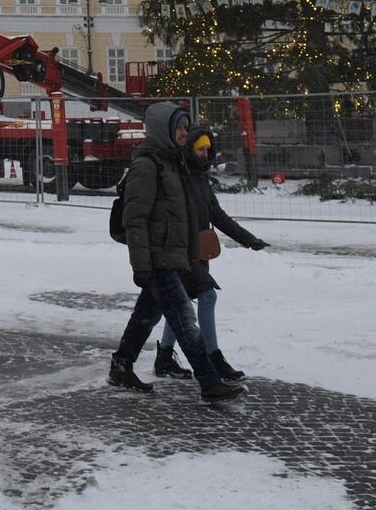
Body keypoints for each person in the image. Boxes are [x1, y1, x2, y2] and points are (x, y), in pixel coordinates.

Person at [107, 102, 245, 403]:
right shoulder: (147, 166)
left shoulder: (172, 163)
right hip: (158, 258)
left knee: (146, 315)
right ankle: (209, 382)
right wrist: (141, 265)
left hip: (174, 255)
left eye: (185, 126)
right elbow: (136, 219)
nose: (185, 132)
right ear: (163, 131)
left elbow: (185, 214)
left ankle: (121, 365)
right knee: (185, 321)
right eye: (180, 127)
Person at [152, 126, 271, 383]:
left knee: (180, 303)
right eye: (200, 148)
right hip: (179, 253)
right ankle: (213, 358)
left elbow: (217, 215)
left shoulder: (200, 178)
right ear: (189, 150)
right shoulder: (177, 178)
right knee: (207, 296)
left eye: (208, 148)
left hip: (198, 252)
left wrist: (249, 240)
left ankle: (164, 357)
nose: (205, 153)